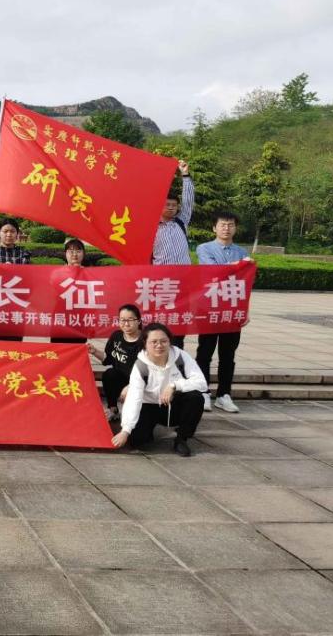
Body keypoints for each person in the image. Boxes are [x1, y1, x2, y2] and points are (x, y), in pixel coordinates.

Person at [112, 322, 208, 457]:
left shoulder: (181, 357)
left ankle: (182, 438)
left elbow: (201, 383)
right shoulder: (140, 366)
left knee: (196, 397)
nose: (159, 345)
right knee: (138, 441)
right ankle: (148, 429)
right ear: (145, 343)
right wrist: (125, 431)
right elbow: (134, 399)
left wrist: (174, 386)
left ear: (170, 342)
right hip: (149, 406)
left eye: (164, 341)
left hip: (172, 405)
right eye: (154, 342)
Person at [195, 211, 249, 414]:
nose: (227, 228)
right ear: (214, 228)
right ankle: (203, 392)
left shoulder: (242, 251)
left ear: (235, 228)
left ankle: (224, 394)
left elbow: (245, 283)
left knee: (228, 354)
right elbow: (213, 271)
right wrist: (237, 267)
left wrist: (245, 310)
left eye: (231, 225)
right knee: (205, 352)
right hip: (209, 308)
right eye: (223, 225)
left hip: (232, 310)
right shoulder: (204, 248)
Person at [89, 304, 144, 421]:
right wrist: (94, 351)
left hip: (141, 382)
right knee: (109, 374)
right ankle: (113, 409)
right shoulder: (116, 336)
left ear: (139, 321)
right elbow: (107, 359)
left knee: (135, 424)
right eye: (122, 320)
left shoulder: (145, 341)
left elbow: (150, 372)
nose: (126, 324)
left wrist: (132, 386)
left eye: (130, 320)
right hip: (121, 379)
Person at [152, 160, 193, 266]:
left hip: (185, 271)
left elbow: (188, 201)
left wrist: (185, 174)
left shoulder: (181, 221)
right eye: (167, 205)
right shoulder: (151, 227)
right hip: (162, 273)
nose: (171, 208)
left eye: (174, 205)